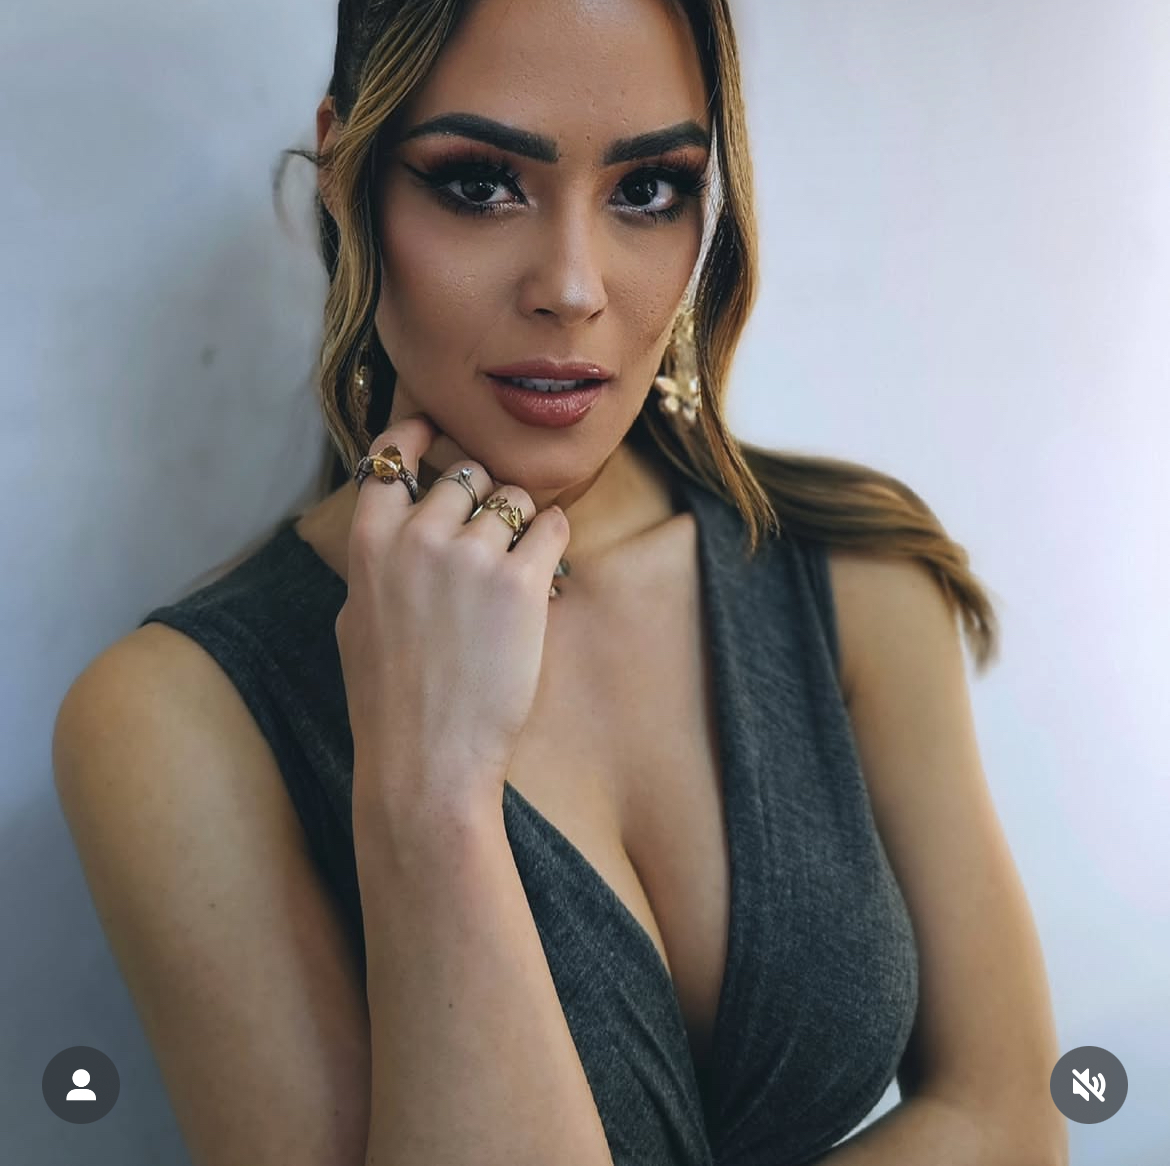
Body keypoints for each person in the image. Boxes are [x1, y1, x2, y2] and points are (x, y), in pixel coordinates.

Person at [51, 0, 1068, 1165]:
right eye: (481, 182)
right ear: (348, 179)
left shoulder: (853, 576)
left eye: (647, 189)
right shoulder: (173, 720)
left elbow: (1012, 1121)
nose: (573, 286)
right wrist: (431, 797)